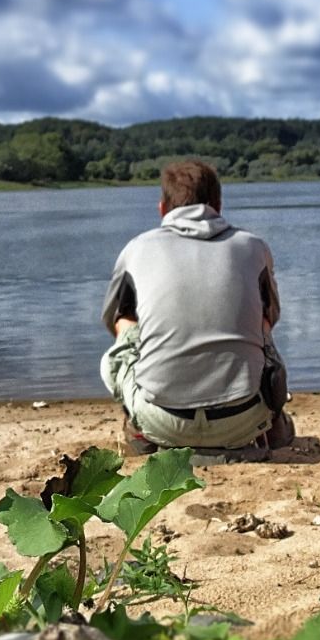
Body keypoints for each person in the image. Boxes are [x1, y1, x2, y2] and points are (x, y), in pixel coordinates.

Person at [100, 160, 293, 454]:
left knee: (126, 324)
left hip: (162, 421)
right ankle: (273, 423)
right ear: (218, 204)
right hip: (243, 420)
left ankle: (141, 430)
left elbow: (112, 318)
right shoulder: (254, 247)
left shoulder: (136, 249)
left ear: (162, 208)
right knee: (261, 327)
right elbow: (271, 317)